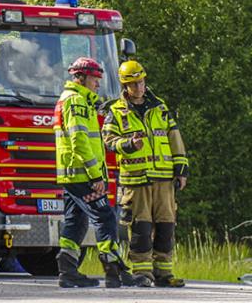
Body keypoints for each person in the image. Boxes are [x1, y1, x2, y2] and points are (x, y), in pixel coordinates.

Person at [53, 57, 141, 289]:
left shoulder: (70, 99)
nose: (98, 83)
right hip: (83, 175)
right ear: (80, 78)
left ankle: (68, 271)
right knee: (105, 217)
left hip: (72, 174)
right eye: (94, 79)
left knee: (75, 221)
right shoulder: (77, 101)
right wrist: (95, 176)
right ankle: (114, 271)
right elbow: (80, 141)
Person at [103, 60, 188, 287]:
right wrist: (129, 144)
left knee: (166, 226)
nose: (139, 87)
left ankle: (164, 273)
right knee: (141, 227)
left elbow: (175, 138)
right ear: (125, 86)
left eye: (141, 82)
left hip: (164, 178)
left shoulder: (160, 107)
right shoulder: (116, 111)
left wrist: (181, 169)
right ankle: (142, 273)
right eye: (134, 84)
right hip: (136, 179)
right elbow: (108, 141)